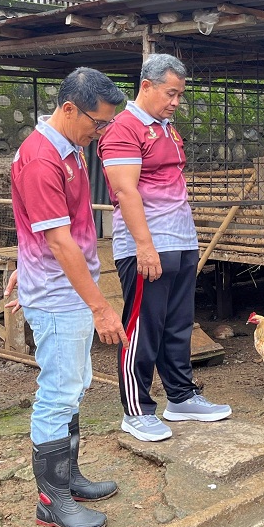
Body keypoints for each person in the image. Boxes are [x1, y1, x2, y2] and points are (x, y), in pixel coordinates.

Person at [7, 67, 127, 527]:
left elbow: (33, 222)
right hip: (60, 297)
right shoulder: (42, 158)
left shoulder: (69, 147)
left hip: (59, 286)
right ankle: (50, 499)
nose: (101, 133)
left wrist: (26, 262)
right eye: (98, 123)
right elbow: (58, 241)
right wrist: (100, 306)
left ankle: (70, 478)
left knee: (71, 387)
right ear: (69, 109)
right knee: (58, 393)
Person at [99, 53, 230, 443]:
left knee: (177, 324)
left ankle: (181, 396)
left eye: (179, 95)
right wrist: (145, 246)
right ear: (147, 86)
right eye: (170, 94)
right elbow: (125, 190)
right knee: (143, 326)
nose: (175, 102)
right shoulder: (124, 128)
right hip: (147, 243)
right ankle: (136, 409)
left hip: (180, 239)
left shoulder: (166, 127)